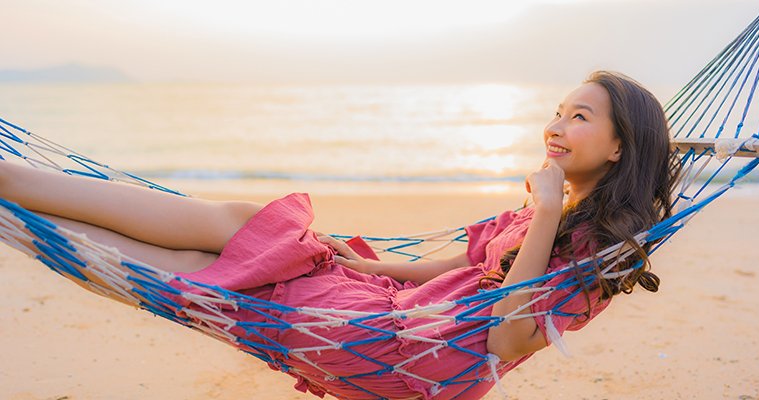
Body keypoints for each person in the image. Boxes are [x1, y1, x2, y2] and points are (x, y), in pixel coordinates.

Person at [0, 70, 680, 399]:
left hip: (409, 353)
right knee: (245, 229)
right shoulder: (545, 214)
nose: (556, 125)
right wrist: (362, 261)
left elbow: (504, 334)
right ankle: (15, 183)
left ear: (621, 147)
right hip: (399, 310)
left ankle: (14, 191)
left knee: (195, 274)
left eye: (579, 116)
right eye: (557, 111)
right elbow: (459, 266)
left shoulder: (598, 256)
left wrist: (550, 211)